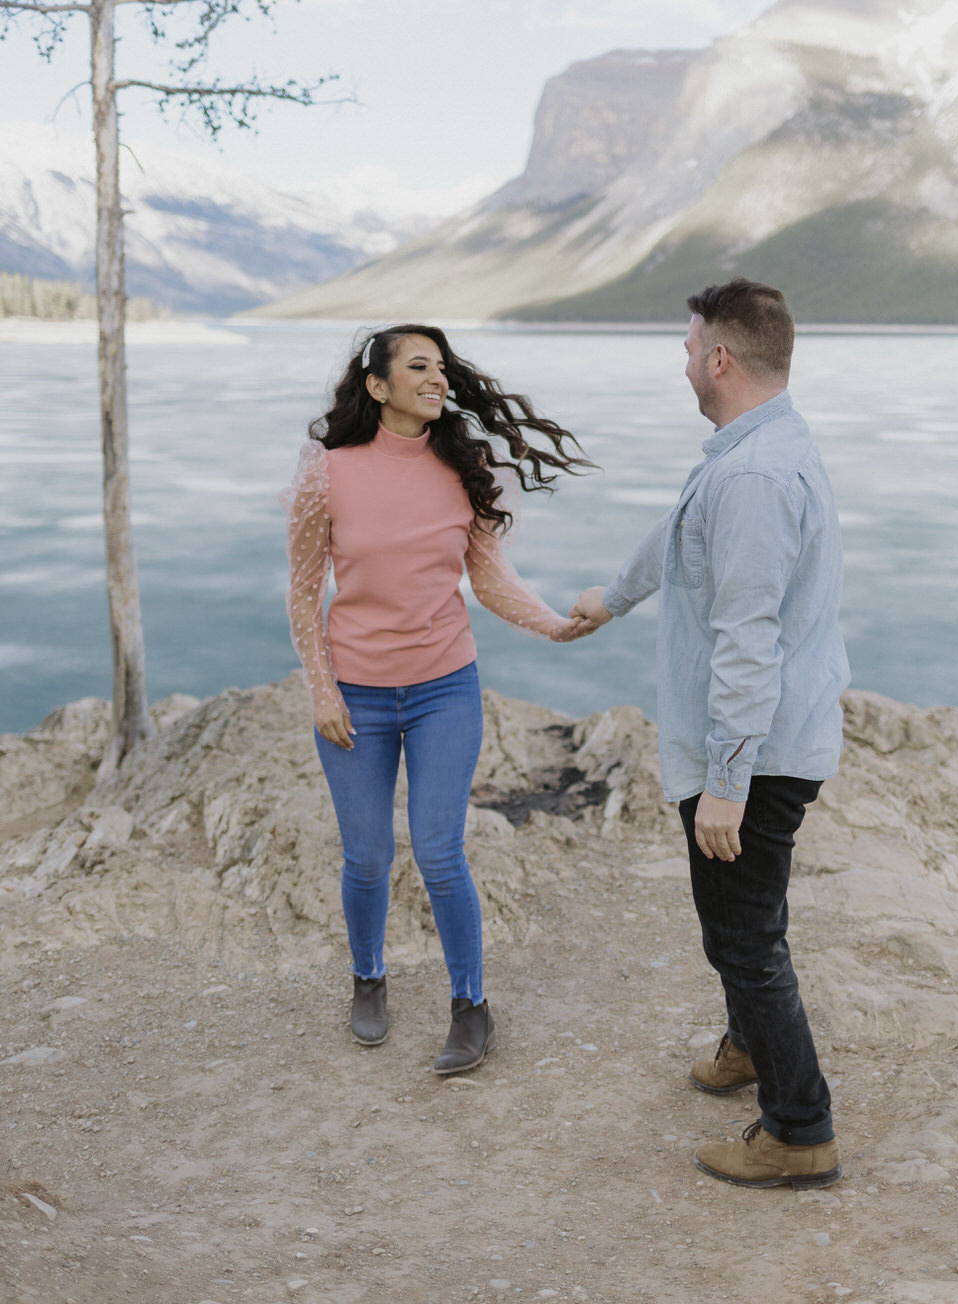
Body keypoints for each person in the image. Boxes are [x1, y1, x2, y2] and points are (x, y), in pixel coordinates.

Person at [571, 278, 849, 1189]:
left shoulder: (757, 477)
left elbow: (746, 642)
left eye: (689, 348)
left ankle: (798, 1128)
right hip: (759, 740)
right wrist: (611, 599)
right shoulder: (747, 453)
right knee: (737, 922)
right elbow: (680, 528)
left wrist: (725, 782)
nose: (683, 362)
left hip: (755, 751)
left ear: (719, 358)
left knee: (744, 939)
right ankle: (744, 1044)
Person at [283, 323, 589, 1073]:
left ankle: (470, 1006)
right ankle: (368, 980)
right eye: (419, 367)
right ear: (378, 386)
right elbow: (300, 593)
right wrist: (323, 691)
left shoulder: (466, 465)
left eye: (442, 368)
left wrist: (553, 626)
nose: (438, 378)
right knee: (365, 857)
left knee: (440, 851)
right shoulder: (327, 471)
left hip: (443, 690)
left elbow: (488, 580)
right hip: (356, 694)